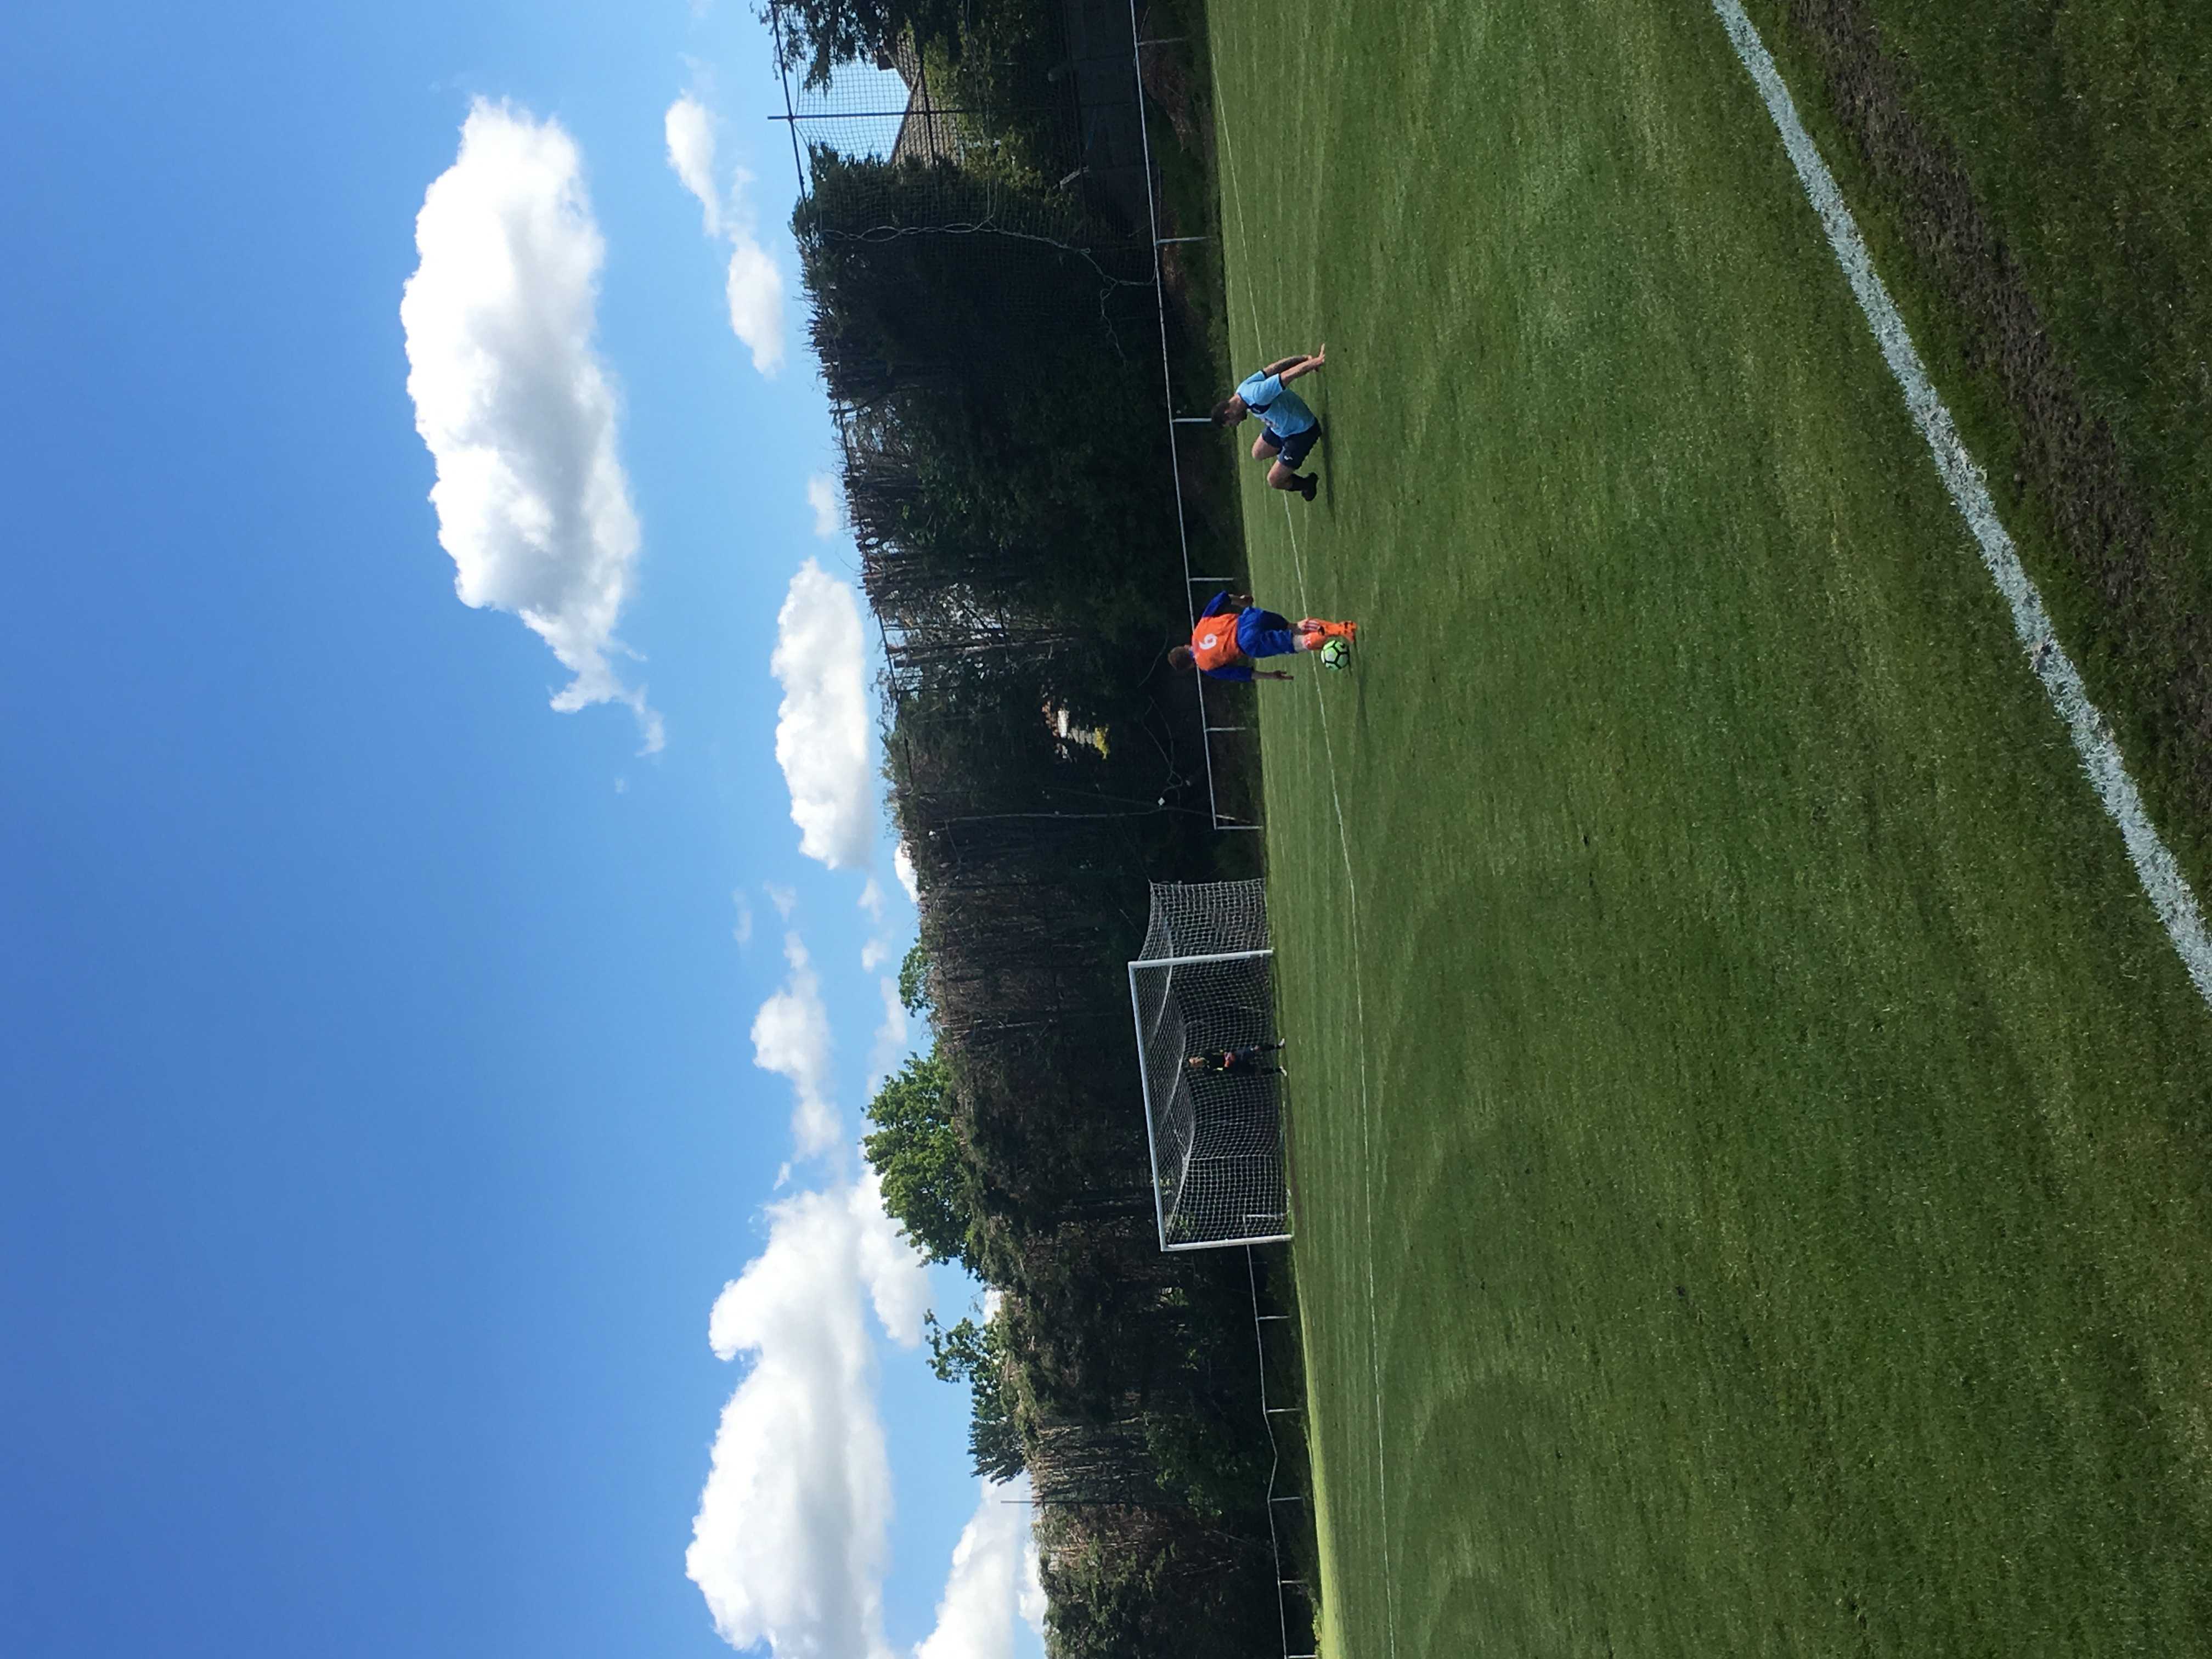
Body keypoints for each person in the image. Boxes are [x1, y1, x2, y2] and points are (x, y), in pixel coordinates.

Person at [1211, 346, 1327, 500]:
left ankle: (1307, 483)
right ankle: (1287, 455)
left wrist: (1315, 362)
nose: (1237, 424)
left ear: (1229, 413)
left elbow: (1286, 376)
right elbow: (1273, 369)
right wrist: (1304, 359)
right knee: (1258, 453)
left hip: (1301, 430)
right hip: (1282, 429)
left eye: (1232, 423)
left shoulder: (1257, 396)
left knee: (1274, 480)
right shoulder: (1242, 391)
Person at [1167, 590, 1356, 682]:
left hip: (1247, 642)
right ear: (1185, 646)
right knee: (1294, 627)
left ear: (1190, 666)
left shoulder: (1207, 667)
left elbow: (1242, 674)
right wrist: (1241, 601)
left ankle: (1336, 631)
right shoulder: (1199, 628)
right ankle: (1336, 628)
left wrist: (1272, 676)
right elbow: (1221, 598)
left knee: (1296, 644)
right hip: (1248, 618)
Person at [1187, 1041, 1287, 1078]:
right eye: (1195, 1065)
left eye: (1194, 1061)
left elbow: (1219, 1050)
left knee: (1256, 1049)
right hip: (1233, 1068)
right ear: (1196, 1068)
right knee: (1257, 1072)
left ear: (1195, 1058)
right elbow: (1221, 1071)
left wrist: (1227, 1054)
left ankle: (1278, 1046)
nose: (1196, 1063)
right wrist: (1227, 1064)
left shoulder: (1206, 1053)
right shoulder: (1207, 1071)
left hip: (1235, 1056)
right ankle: (1278, 1070)